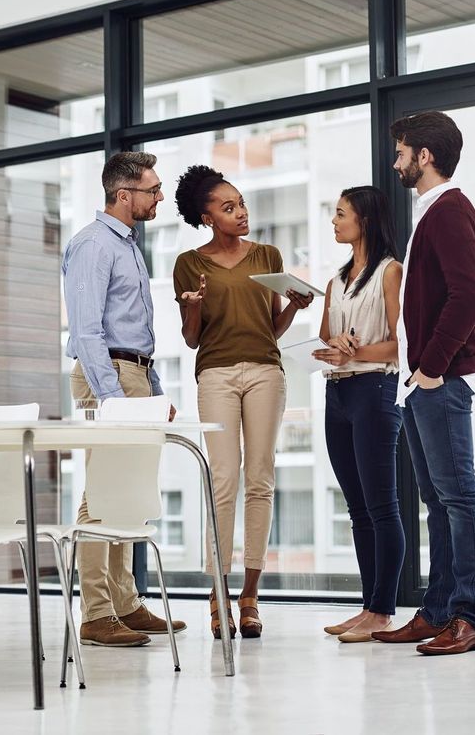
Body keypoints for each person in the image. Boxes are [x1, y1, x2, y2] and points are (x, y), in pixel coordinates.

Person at [171, 164, 314, 639]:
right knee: (224, 481)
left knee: (261, 479)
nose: (241, 213)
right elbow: (192, 339)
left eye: (242, 203)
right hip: (215, 374)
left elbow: (270, 329)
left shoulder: (267, 255)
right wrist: (191, 306)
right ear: (207, 217)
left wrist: (294, 304)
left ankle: (250, 595)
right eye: (228, 207)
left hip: (265, 372)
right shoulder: (189, 264)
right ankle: (219, 592)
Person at [371, 111, 475, 656]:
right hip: (424, 381)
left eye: (401, 152)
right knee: (439, 501)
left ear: (424, 156)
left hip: (440, 379)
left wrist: (433, 366)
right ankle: (439, 611)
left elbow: (468, 295)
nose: (396, 162)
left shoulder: (448, 212)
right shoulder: (433, 212)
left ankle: (469, 616)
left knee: (457, 496)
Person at [62, 151, 186, 647]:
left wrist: (152, 394)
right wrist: (116, 399)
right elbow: (88, 332)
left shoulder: (127, 243)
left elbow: (134, 330)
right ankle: (95, 612)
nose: (159, 197)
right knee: (99, 498)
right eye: (153, 190)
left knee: (126, 495)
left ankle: (126, 604)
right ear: (123, 194)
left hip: (133, 376)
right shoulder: (93, 245)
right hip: (107, 376)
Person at [311, 186, 405, 644]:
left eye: (340, 213)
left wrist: (358, 350)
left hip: (376, 390)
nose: (334, 221)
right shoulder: (335, 281)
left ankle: (382, 611)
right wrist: (335, 348)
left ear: (364, 220)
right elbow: (326, 341)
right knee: (357, 509)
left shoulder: (391, 272)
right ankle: (367, 606)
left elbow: (402, 343)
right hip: (338, 395)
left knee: (382, 506)